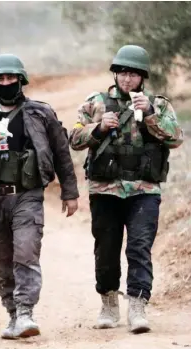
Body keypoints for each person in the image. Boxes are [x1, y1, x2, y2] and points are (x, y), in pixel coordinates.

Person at [0, 54, 79, 339]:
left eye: (10, 78)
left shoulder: (40, 113)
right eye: (0, 79)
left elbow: (61, 151)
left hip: (27, 195)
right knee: (1, 259)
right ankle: (12, 313)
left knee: (26, 251)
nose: (5, 83)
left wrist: (70, 191)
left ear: (21, 80)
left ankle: (26, 312)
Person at [69, 45, 184, 333]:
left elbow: (175, 138)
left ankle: (138, 303)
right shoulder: (95, 102)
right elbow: (72, 137)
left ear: (142, 77)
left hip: (144, 189)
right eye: (122, 73)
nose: (126, 79)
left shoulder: (158, 105)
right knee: (106, 249)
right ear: (115, 74)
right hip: (105, 189)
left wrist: (150, 117)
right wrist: (97, 128)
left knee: (139, 247)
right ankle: (108, 302)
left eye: (133, 74)